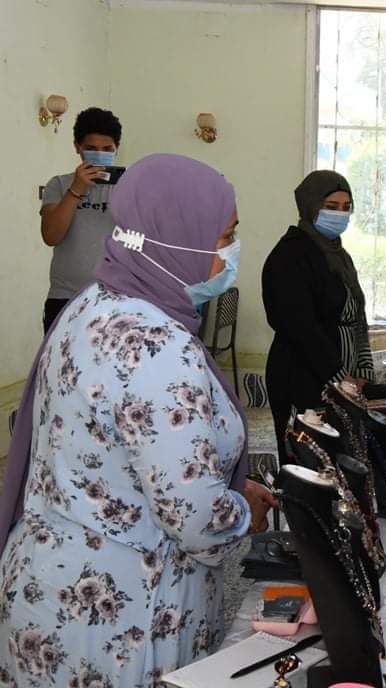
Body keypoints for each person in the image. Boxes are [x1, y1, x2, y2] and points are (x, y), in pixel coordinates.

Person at [0, 154, 275, 685]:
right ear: (180, 240)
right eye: (226, 236)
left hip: (54, 589)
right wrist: (242, 513)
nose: (232, 251)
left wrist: (224, 483)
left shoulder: (95, 303)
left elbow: (122, 457)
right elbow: (194, 519)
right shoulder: (156, 345)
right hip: (118, 614)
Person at [262, 171, 374, 466]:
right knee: (310, 462)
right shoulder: (291, 254)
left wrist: (362, 367)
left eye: (346, 207)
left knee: (340, 462)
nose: (340, 215)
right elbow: (301, 327)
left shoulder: (338, 255)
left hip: (338, 380)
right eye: (331, 207)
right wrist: (339, 377)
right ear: (310, 206)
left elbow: (356, 314)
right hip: (302, 377)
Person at [40, 107, 123, 333]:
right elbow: (51, 236)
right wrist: (77, 188)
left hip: (116, 298)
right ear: (77, 147)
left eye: (107, 149)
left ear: (117, 148)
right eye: (91, 149)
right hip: (65, 298)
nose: (100, 154)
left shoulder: (129, 188)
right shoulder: (58, 185)